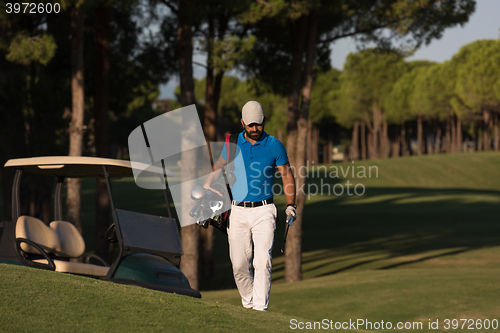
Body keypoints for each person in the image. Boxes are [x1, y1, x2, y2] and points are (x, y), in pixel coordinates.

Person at [203, 100, 296, 311]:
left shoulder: (275, 145)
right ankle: (249, 305)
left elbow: (287, 175)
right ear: (242, 122)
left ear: (264, 121)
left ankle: (260, 310)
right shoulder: (233, 143)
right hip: (237, 211)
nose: (255, 129)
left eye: (259, 124)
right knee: (238, 265)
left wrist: (291, 204)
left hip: (264, 210)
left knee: (262, 260)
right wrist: (207, 185)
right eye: (250, 124)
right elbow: (218, 166)